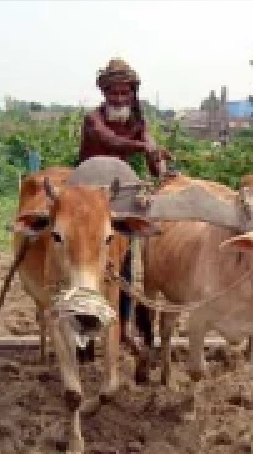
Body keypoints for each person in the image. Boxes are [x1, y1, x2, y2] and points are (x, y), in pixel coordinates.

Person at [77, 58, 172, 359]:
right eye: (113, 93)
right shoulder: (94, 120)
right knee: (84, 264)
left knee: (128, 268)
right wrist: (144, 148)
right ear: (104, 93)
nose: (119, 99)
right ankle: (84, 335)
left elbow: (154, 160)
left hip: (120, 199)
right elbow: (112, 142)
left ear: (132, 93)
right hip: (85, 196)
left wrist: (161, 164)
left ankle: (128, 326)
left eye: (124, 93)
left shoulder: (139, 124)